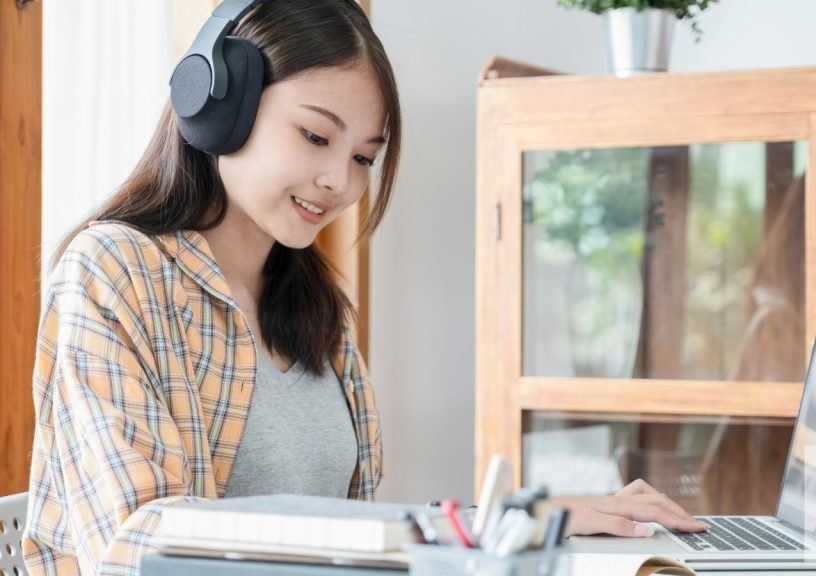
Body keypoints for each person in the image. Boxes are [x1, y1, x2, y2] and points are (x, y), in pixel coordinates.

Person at [23, 1, 703, 574]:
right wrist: (447, 529)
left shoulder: (314, 302)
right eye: (316, 135)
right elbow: (139, 545)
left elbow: (354, 537)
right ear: (214, 103)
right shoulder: (112, 272)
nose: (340, 182)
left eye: (362, 158)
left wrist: (513, 524)